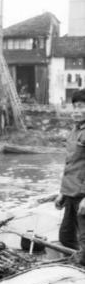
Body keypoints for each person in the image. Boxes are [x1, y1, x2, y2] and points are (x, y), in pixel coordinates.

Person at [55, 89, 85, 264]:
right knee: (66, 236)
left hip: (82, 195)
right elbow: (70, 165)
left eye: (81, 107)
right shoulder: (75, 131)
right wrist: (62, 193)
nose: (76, 111)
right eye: (74, 106)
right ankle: (77, 267)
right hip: (71, 193)